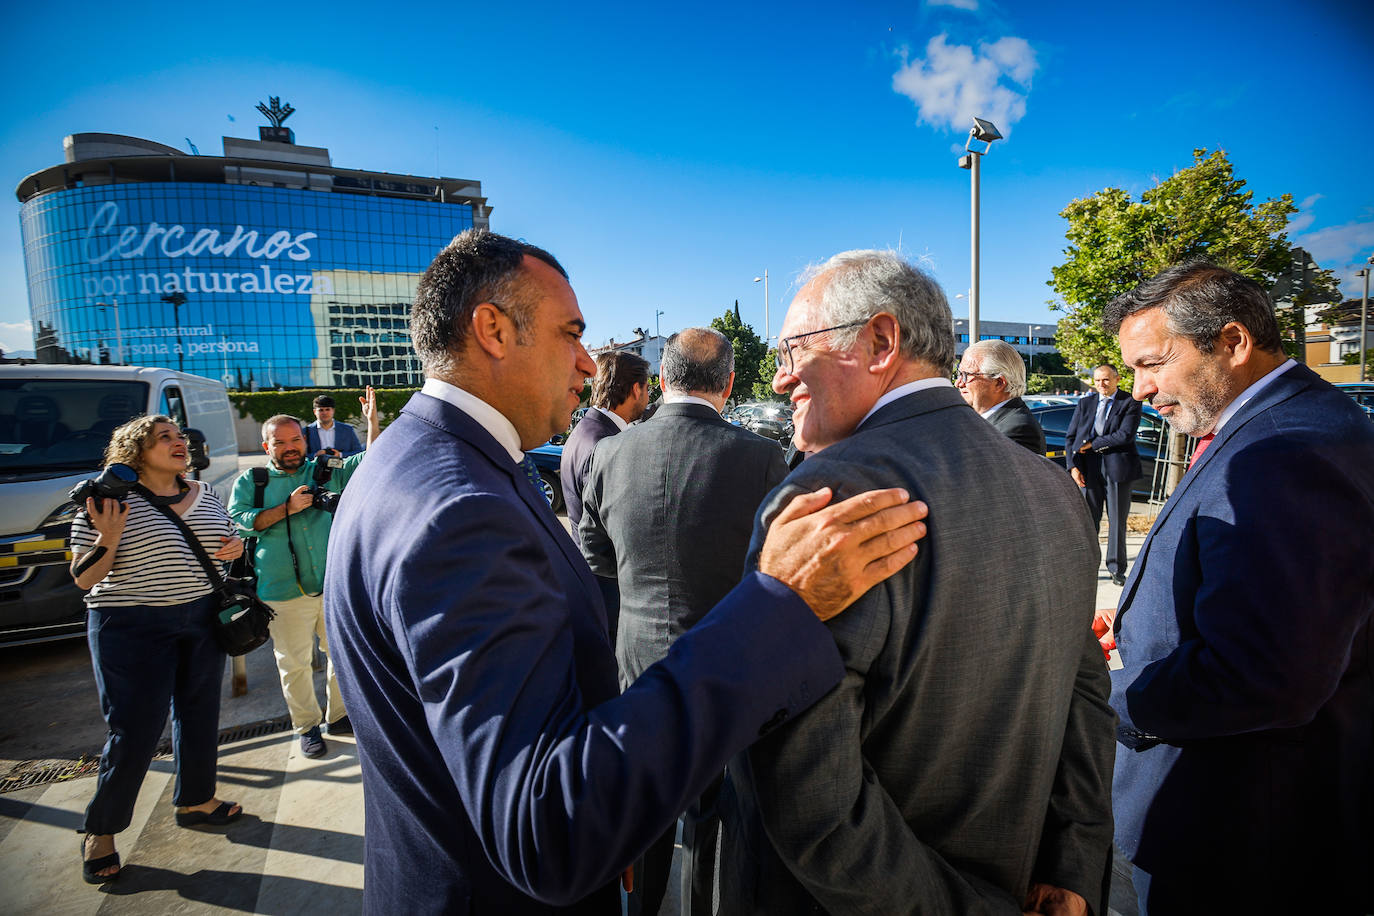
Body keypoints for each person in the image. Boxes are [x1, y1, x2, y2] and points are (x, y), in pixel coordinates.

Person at [322, 229, 930, 915]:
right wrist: (777, 602)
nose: (588, 363)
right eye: (570, 334)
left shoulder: (419, 459)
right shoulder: (460, 509)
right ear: (492, 329)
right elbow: (546, 828)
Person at [718, 249, 1115, 915]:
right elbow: (1086, 702)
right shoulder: (1051, 486)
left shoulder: (825, 495)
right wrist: (1072, 865)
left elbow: (807, 794)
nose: (781, 380)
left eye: (792, 351)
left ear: (880, 340)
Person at [1100, 262, 1374, 915]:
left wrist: (1110, 695)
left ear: (1232, 342)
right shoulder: (1302, 424)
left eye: (1152, 364)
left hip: (1246, 841)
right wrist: (1148, 624)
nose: (1140, 391)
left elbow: (1265, 673)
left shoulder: (1282, 452)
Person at [579, 327, 788, 916]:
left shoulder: (610, 452)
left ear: (663, 380)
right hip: (726, 664)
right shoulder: (762, 457)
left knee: (646, 806)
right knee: (709, 816)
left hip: (638, 658)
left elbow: (596, 555)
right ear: (727, 384)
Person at [68, 415, 246, 884]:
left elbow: (225, 540)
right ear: (135, 451)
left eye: (179, 436)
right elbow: (84, 578)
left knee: (199, 711)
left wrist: (232, 548)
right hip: (131, 624)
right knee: (136, 731)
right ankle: (100, 831)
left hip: (202, 617)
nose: (178, 442)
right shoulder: (107, 500)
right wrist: (107, 537)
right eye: (164, 437)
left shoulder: (204, 493)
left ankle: (196, 799)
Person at [228, 395, 378, 759]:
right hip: (280, 591)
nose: (290, 448)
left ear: (305, 441)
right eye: (280, 442)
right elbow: (239, 523)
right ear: (267, 446)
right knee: (293, 664)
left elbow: (369, 463)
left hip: (330, 587)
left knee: (339, 657)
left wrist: (371, 423)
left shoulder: (323, 471)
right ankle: (306, 727)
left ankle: (338, 716)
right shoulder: (253, 480)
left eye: (295, 440)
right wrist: (286, 509)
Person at [1063, 363, 1142, 585]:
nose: (1101, 384)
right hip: (1088, 468)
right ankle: (1086, 566)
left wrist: (1093, 444)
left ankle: (1116, 569)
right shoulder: (1085, 403)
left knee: (1117, 521)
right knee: (1089, 521)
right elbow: (1071, 437)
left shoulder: (1130, 401)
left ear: (1116, 379)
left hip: (1118, 468)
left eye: (1106, 380)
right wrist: (1073, 467)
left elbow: (1124, 435)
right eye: (1097, 380)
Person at [561, 350, 650, 537]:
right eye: (647, 389)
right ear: (636, 389)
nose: (648, 398)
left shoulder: (586, 429)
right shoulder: (605, 444)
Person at [956, 338, 1046, 453]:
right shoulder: (984, 421)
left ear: (998, 383)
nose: (958, 383)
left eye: (966, 375)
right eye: (959, 374)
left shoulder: (1019, 429)